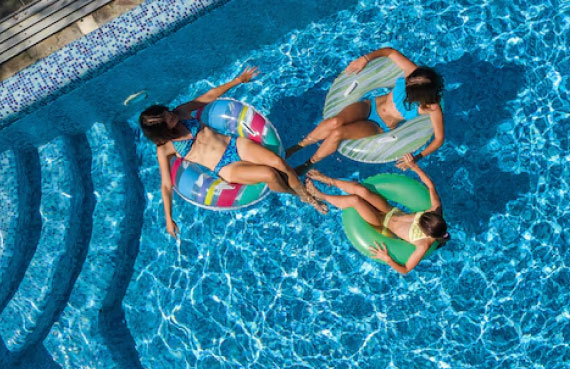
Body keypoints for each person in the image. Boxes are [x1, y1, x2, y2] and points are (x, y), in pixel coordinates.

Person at [140, 67, 325, 238]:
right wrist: (168, 218)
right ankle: (299, 195)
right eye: (165, 119)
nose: (169, 114)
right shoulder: (165, 148)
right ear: (161, 131)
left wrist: (237, 80)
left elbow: (209, 96)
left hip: (235, 145)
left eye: (164, 112)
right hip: (225, 167)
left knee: (278, 162)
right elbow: (166, 185)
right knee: (269, 174)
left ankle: (305, 193)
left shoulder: (181, 112)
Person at [287, 47, 445, 174]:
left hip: (380, 125)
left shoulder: (431, 107)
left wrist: (416, 158)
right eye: (408, 80)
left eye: (409, 86)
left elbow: (439, 139)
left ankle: (309, 163)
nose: (406, 82)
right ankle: (299, 146)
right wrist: (365, 59)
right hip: (370, 106)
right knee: (335, 122)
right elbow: (390, 52)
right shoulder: (413, 74)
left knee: (338, 133)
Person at [304, 154, 449, 274]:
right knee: (362, 191)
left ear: (427, 233)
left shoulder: (422, 245)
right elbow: (430, 185)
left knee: (355, 200)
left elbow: (405, 270)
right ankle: (329, 180)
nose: (421, 216)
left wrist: (387, 259)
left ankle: (322, 196)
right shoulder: (435, 209)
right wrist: (414, 166)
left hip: (381, 225)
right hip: (389, 210)